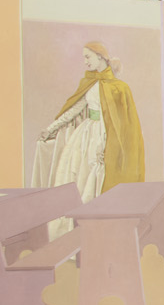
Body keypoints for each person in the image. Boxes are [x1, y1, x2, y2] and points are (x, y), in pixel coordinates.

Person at [31, 41, 144, 203]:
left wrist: (104, 145)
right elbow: (73, 111)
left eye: (88, 57)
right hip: (86, 136)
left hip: (105, 137)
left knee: (97, 175)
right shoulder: (90, 83)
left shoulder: (119, 87)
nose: (85, 62)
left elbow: (120, 122)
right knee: (79, 173)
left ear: (100, 57)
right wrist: (50, 129)